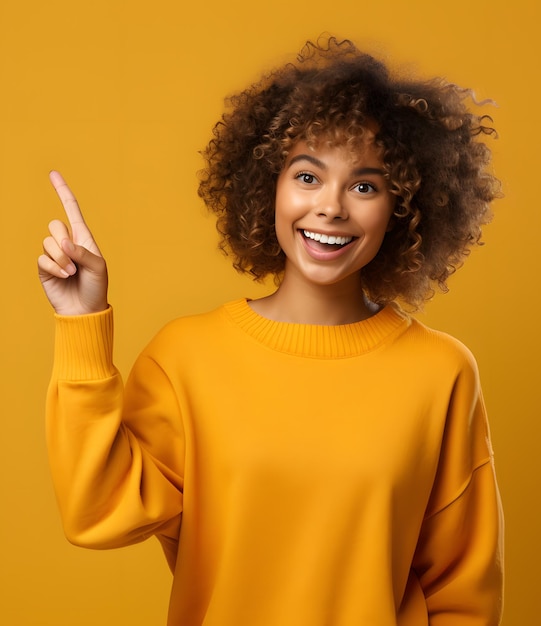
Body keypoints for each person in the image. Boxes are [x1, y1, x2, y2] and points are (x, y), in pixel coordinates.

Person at [38, 37, 504, 626]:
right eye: (307, 176)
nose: (331, 207)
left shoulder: (442, 372)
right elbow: (95, 511)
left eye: (365, 186)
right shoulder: (186, 358)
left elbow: (464, 590)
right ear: (269, 186)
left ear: (402, 208)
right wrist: (81, 323)